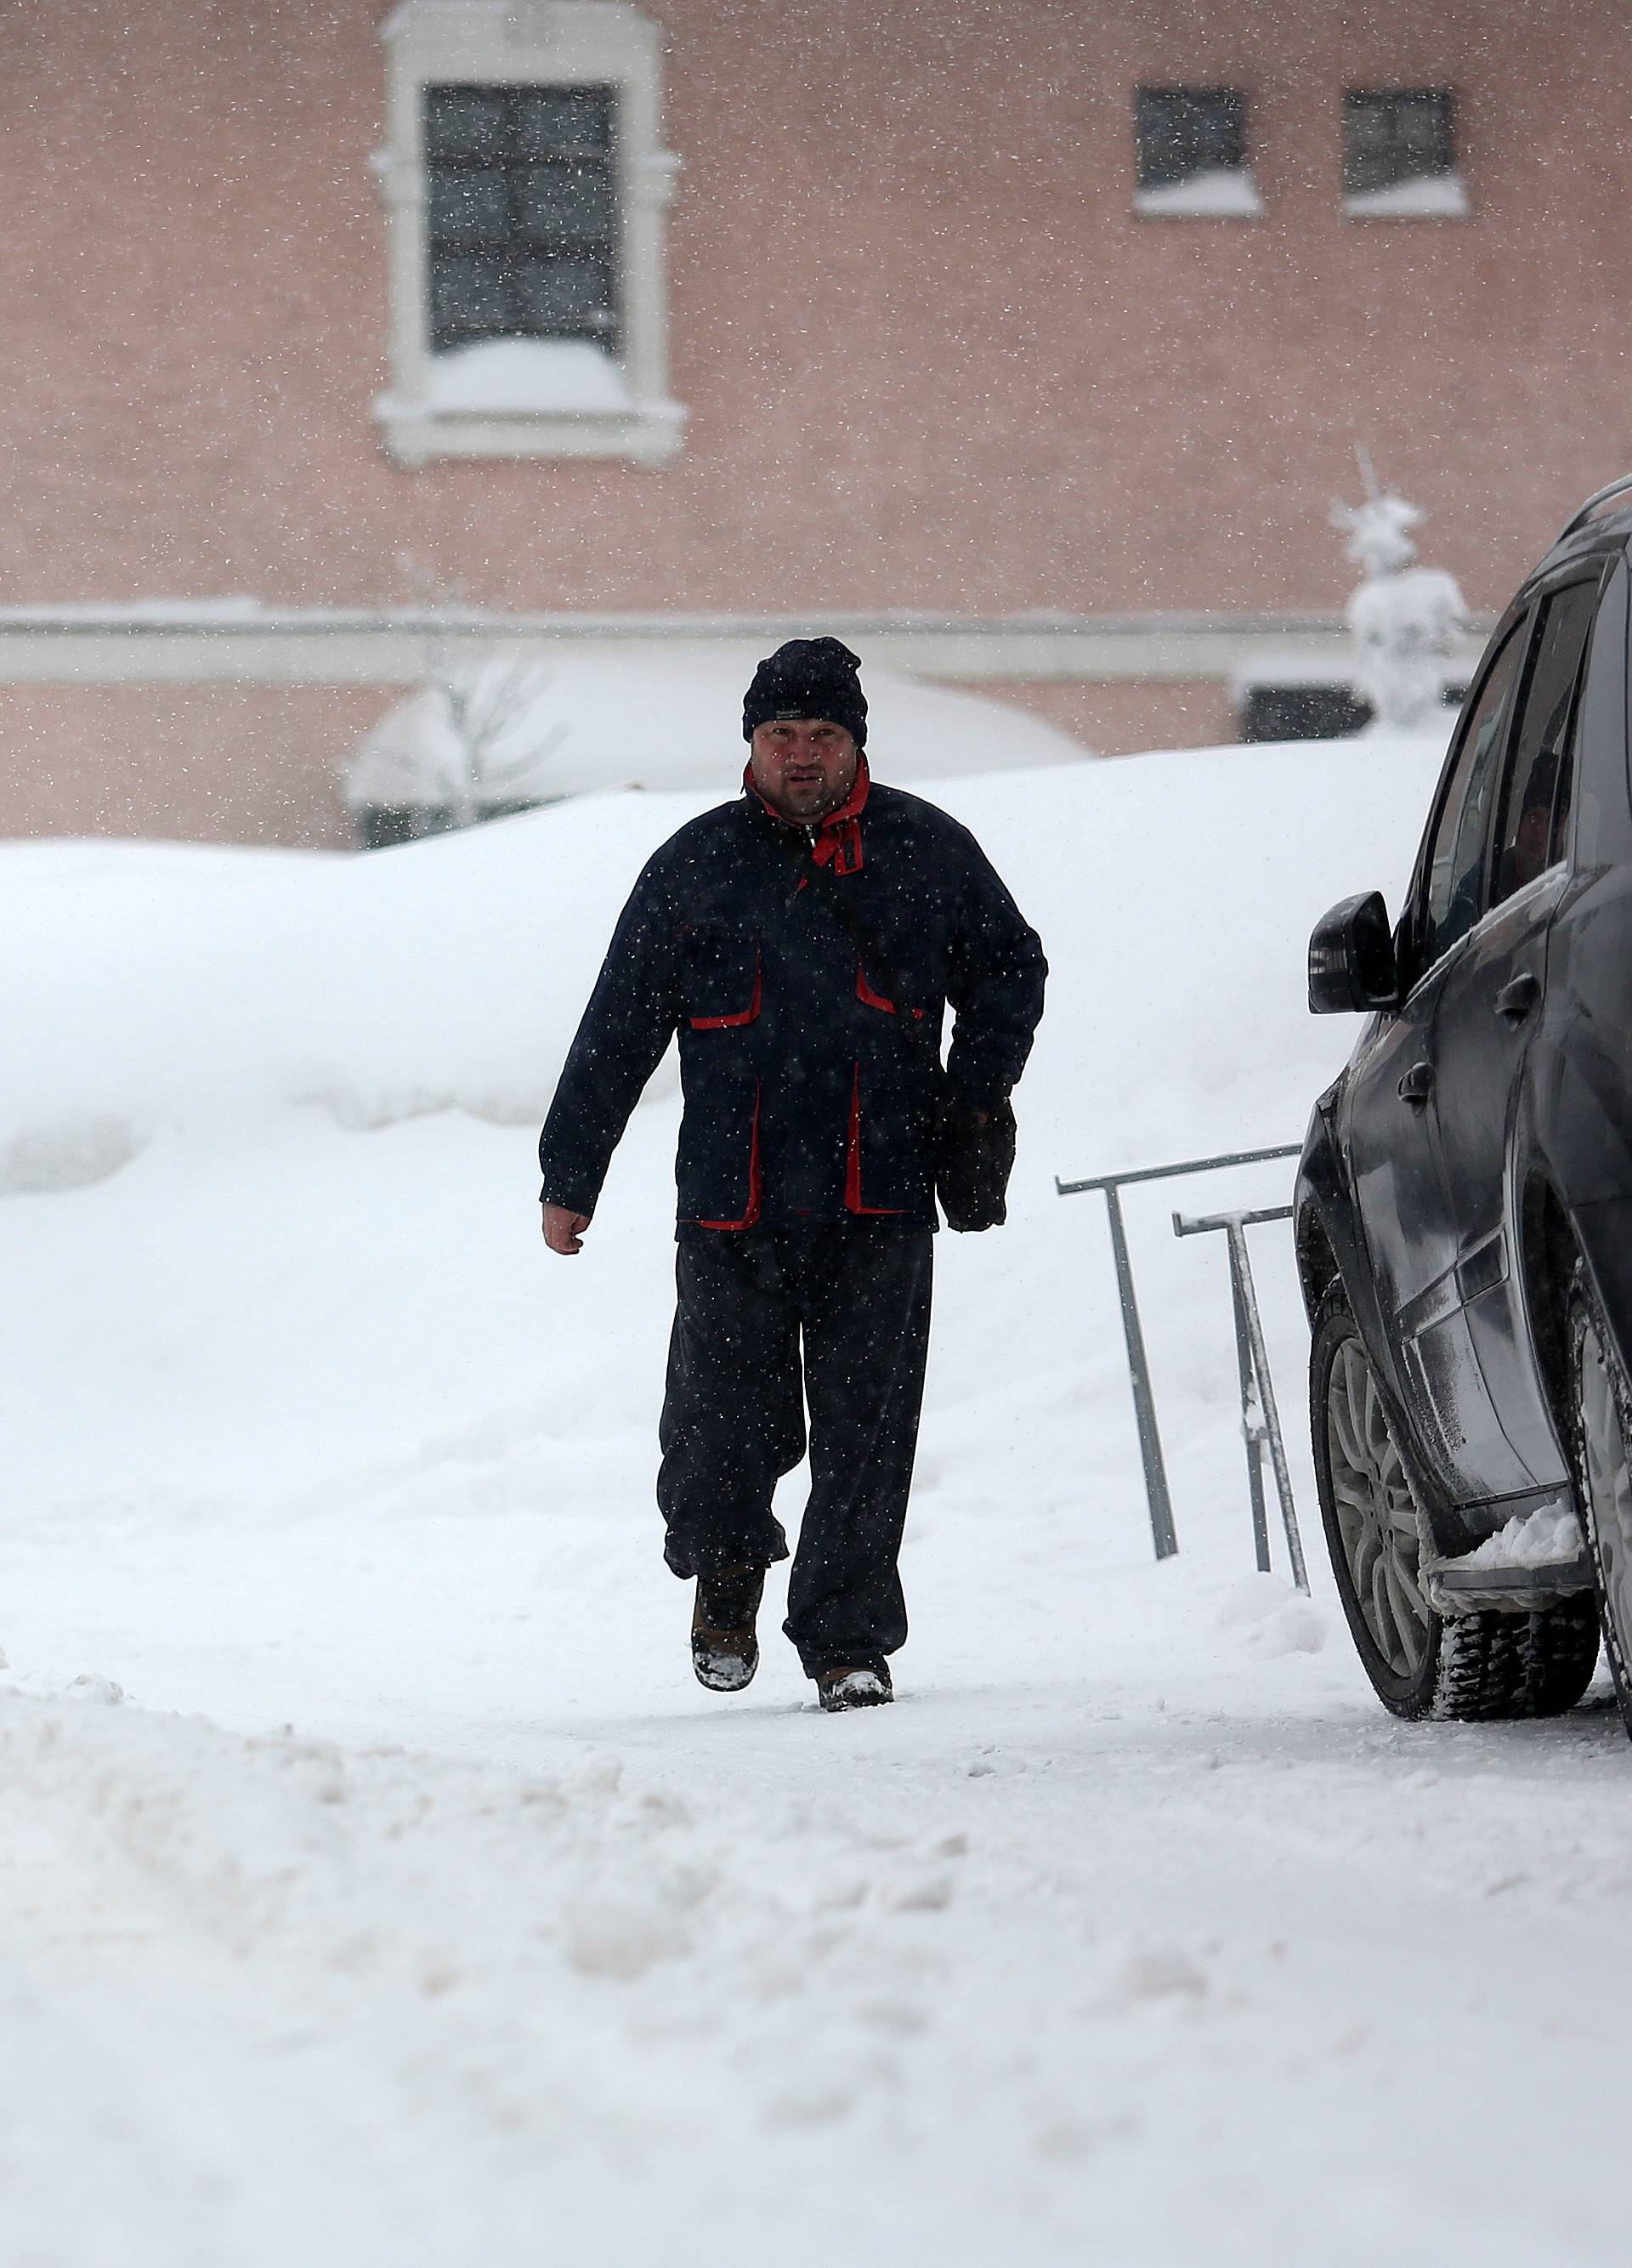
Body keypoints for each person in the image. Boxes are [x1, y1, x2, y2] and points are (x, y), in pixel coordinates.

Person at [537, 638, 1046, 1711]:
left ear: (856, 742)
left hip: (885, 1193)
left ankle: (847, 1640)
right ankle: (725, 1577)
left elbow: (1010, 966)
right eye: (782, 736)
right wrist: (571, 1172)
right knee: (721, 1419)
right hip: (735, 1201)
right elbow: (617, 1027)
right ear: (752, 743)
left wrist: (975, 1091)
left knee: (868, 1434)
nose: (801, 755)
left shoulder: (926, 849)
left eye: (822, 735)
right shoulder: (695, 865)